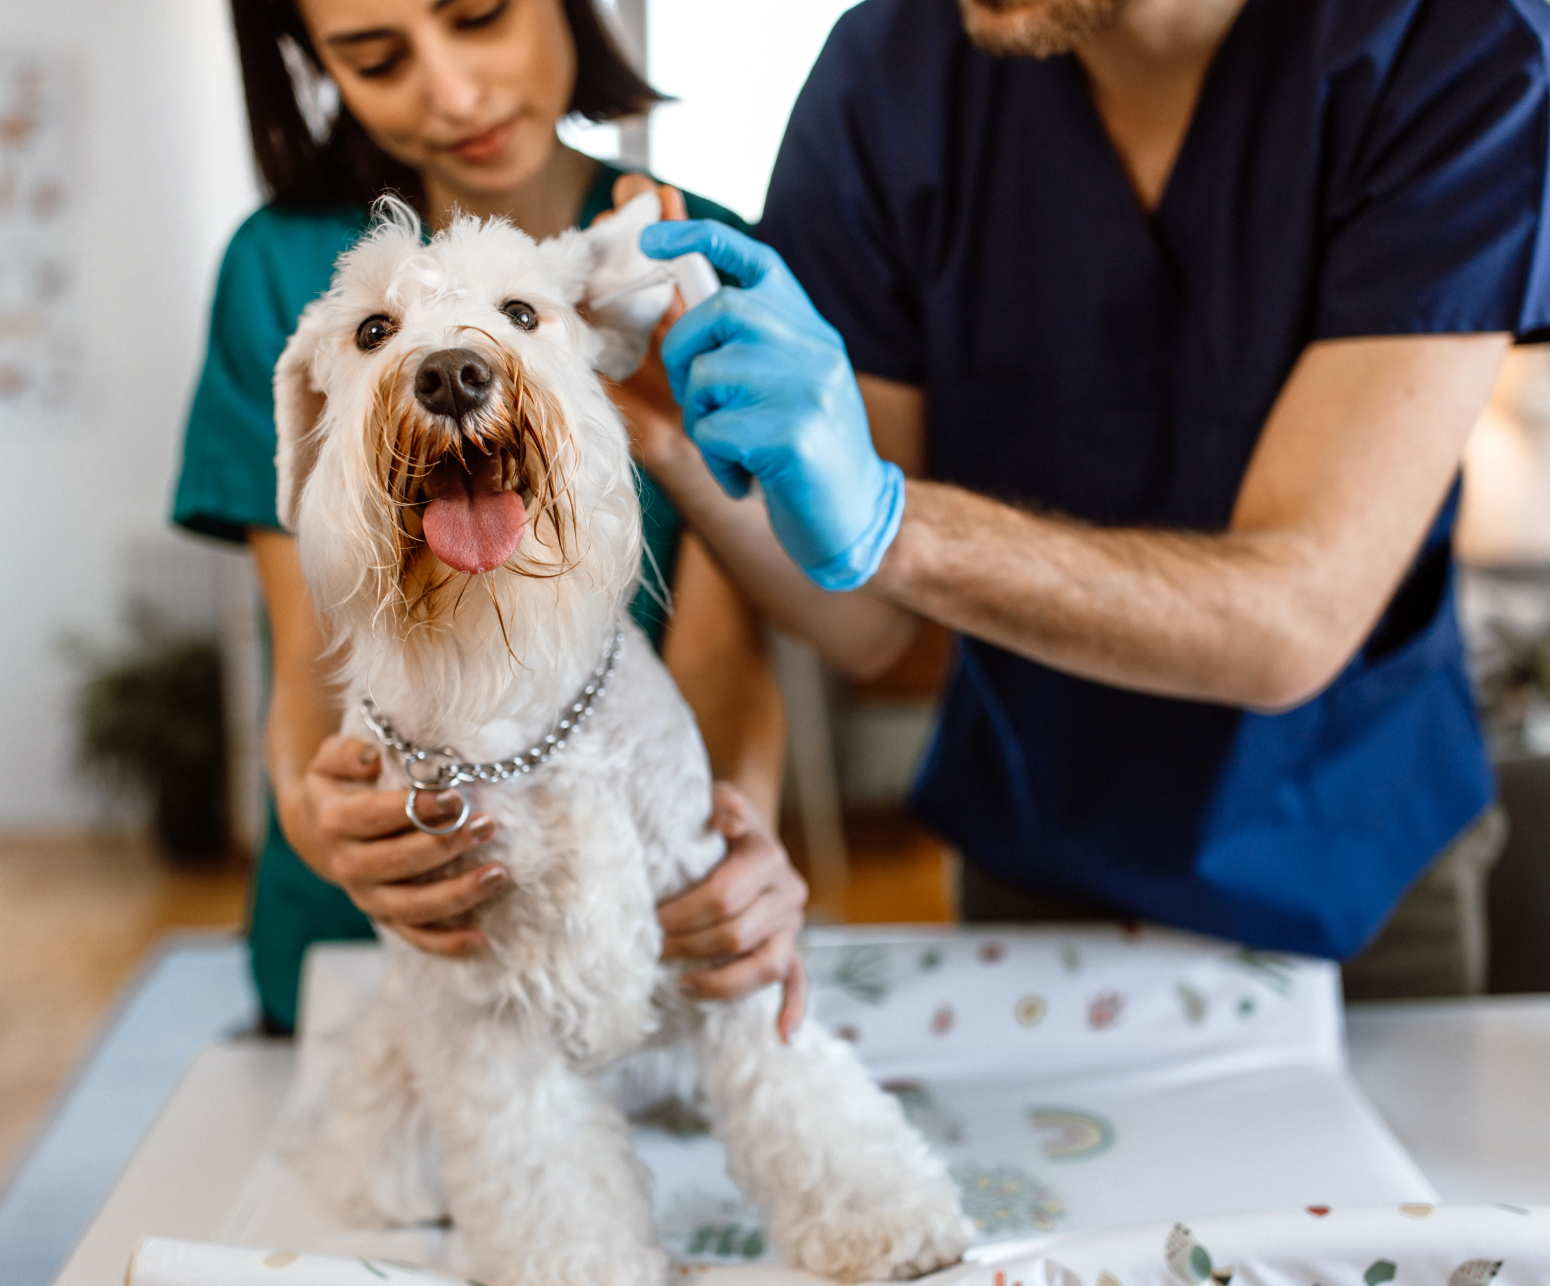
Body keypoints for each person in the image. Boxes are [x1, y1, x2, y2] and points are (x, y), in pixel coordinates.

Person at [623, 0, 1550, 998]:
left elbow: (1292, 616)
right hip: (1035, 847)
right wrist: (669, 435)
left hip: (1352, 856)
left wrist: (891, 520)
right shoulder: (890, 75)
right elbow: (867, 625)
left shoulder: (1451, 49)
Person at [173, 0, 807, 1033]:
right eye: (376, 60)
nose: (454, 92)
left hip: (627, 902)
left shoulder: (699, 259)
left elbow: (724, 648)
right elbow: (309, 654)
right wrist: (322, 821)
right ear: (312, 64)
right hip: (384, 942)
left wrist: (729, 853)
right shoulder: (281, 270)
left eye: (479, 15)